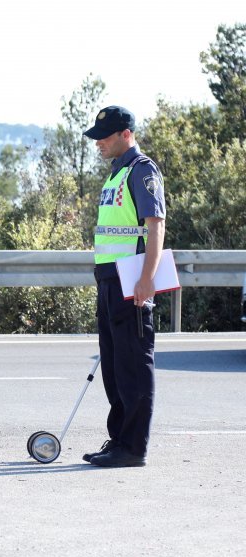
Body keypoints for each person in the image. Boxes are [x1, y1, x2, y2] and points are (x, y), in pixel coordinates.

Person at [82, 106, 166, 467]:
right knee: (115, 365)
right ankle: (119, 440)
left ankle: (132, 448)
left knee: (133, 363)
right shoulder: (117, 173)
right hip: (109, 278)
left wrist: (147, 278)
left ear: (125, 134)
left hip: (131, 278)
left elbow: (154, 224)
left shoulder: (141, 169)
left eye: (105, 136)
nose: (98, 143)